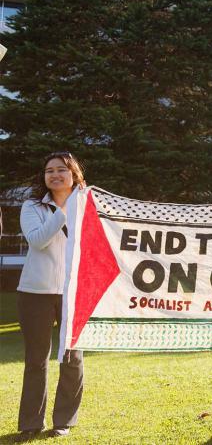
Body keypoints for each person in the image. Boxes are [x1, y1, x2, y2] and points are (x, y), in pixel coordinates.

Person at [16, 152, 86, 442]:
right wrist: (65, 210)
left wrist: (78, 205)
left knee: (72, 357)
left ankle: (64, 421)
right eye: (49, 171)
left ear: (74, 174)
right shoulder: (32, 206)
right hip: (35, 293)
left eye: (61, 170)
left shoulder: (87, 205)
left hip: (74, 292)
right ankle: (31, 423)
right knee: (36, 360)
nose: (54, 175)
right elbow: (37, 240)